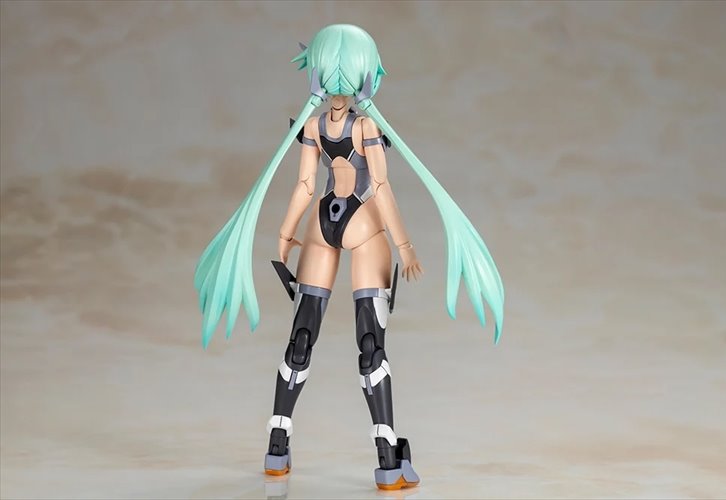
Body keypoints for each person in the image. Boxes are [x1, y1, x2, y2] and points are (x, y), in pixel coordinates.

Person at [194, 24, 504, 491]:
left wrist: (286, 232)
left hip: (322, 223)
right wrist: (404, 245)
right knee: (370, 344)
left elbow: (305, 186)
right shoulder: (365, 126)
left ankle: (277, 446)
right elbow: (380, 187)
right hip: (362, 225)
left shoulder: (314, 124)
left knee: (302, 337)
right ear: (365, 73)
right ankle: (387, 458)